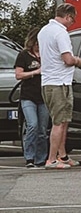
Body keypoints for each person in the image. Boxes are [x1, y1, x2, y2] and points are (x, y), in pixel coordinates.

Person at [38, 2, 81, 168]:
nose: (72, 23)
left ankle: (63, 156)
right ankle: (51, 159)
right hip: (59, 83)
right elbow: (67, 59)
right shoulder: (61, 33)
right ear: (68, 16)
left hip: (50, 81)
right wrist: (78, 61)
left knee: (63, 121)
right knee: (59, 123)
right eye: (72, 20)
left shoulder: (44, 31)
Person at [15, 30, 50, 168]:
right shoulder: (23, 56)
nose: (38, 46)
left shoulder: (46, 54)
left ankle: (41, 158)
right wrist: (35, 72)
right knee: (32, 125)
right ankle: (29, 157)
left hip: (43, 96)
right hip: (28, 96)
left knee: (42, 129)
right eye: (36, 43)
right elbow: (18, 75)